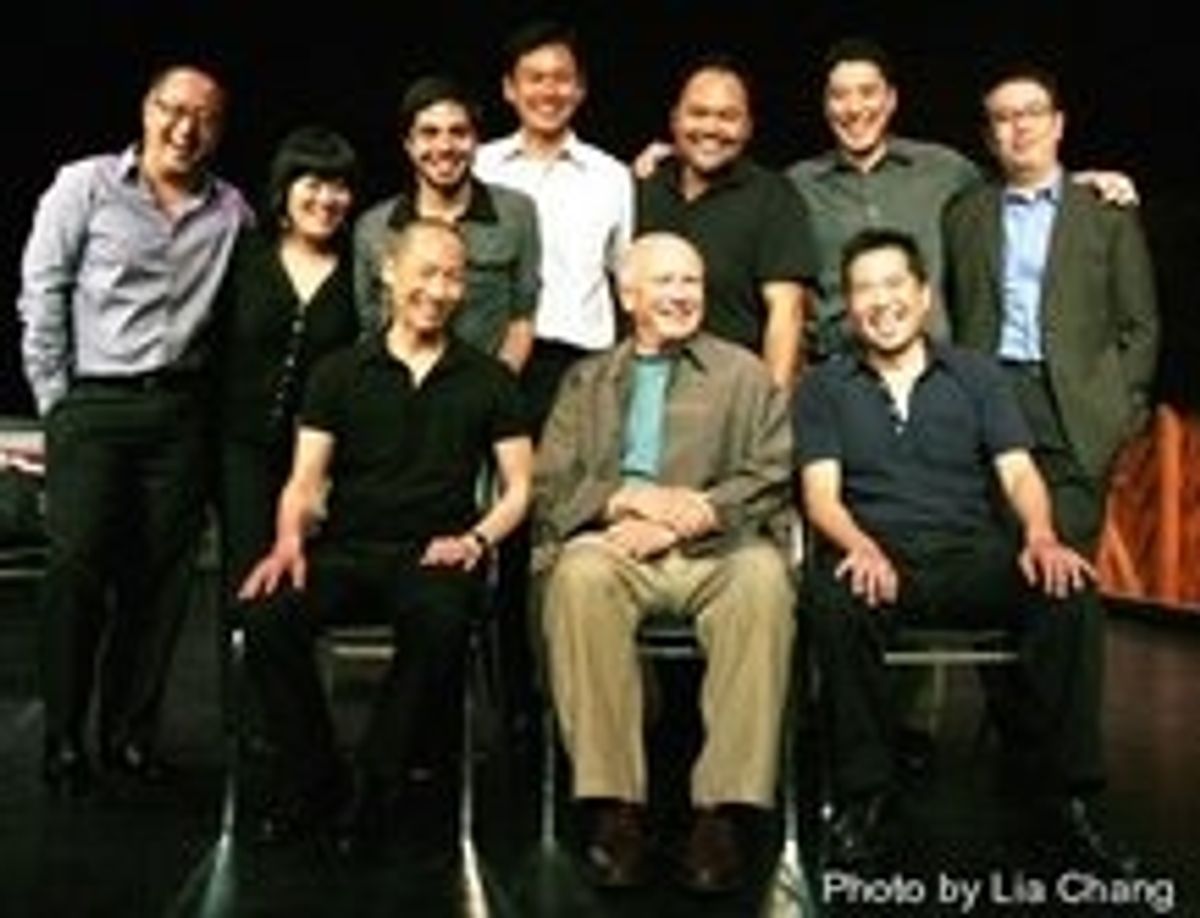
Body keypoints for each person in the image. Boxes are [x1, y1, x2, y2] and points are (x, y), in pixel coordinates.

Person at [795, 227, 1132, 873]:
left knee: (1067, 590)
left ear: (923, 297)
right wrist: (861, 547)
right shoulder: (825, 385)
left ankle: (1069, 802)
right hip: (877, 551)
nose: (881, 301)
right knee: (833, 599)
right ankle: (864, 800)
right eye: (865, 289)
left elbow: (1018, 473)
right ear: (849, 304)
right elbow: (821, 496)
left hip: (969, 552)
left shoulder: (975, 375)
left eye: (895, 285)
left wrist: (1040, 534)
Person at [237, 218, 532, 854]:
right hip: (347, 549)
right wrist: (289, 538)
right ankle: (314, 775)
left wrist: (477, 540)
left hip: (437, 553)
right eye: (426, 271)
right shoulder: (338, 372)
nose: (439, 288)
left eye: (454, 276)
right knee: (265, 615)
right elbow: (305, 479)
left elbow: (519, 490)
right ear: (389, 272)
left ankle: (378, 778)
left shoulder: (489, 379)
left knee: (442, 621)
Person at [17, 61, 252, 796]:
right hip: (93, 404)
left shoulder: (231, 211)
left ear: (219, 128)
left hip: (179, 414)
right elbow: (42, 294)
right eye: (170, 109)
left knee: (161, 585)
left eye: (203, 117)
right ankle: (63, 738)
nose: (185, 128)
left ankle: (129, 737)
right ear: (146, 109)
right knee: (77, 573)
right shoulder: (83, 185)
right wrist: (59, 406)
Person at [535, 232, 795, 892]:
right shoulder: (587, 379)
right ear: (629, 296)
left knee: (764, 580)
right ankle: (616, 807)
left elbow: (772, 471)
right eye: (666, 282)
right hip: (616, 546)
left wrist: (698, 511)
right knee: (579, 575)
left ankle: (720, 813)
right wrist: (626, 501)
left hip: (720, 546)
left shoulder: (744, 373)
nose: (683, 295)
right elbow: (550, 485)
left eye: (692, 283)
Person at [788, 37, 1142, 362]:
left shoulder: (944, 169)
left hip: (937, 372)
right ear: (825, 104)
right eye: (839, 95)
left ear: (891, 99)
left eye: (868, 92)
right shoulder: (796, 186)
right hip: (840, 369)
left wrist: (1082, 183)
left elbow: (1018, 190)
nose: (854, 107)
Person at [943, 62, 1159, 558]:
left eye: (1032, 113)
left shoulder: (1106, 213)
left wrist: (1121, 410)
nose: (1019, 127)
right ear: (990, 135)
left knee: (1067, 566)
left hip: (1078, 409)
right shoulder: (964, 214)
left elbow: (1140, 324)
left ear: (1058, 124)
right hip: (993, 398)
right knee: (1001, 556)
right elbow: (953, 311)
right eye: (1003, 117)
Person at [214, 124, 361, 638]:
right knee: (246, 588)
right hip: (243, 450)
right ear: (285, 187)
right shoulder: (244, 256)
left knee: (299, 590)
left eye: (338, 185)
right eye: (312, 183)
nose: (326, 198)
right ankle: (242, 721)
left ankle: (289, 717)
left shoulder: (356, 272)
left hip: (323, 456)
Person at [474, 18, 634, 428]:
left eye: (562, 79)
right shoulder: (479, 166)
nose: (549, 91)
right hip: (489, 356)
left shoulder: (611, 175)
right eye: (535, 78)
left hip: (580, 364)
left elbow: (627, 278)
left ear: (580, 89)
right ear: (509, 88)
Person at [636, 57, 817, 391]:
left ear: (748, 126)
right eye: (698, 113)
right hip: (645, 385)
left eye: (727, 117)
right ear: (675, 120)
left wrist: (768, 411)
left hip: (733, 392)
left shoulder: (773, 197)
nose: (711, 129)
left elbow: (786, 311)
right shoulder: (642, 190)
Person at [354, 75, 540, 373]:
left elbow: (523, 316)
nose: (444, 146)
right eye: (429, 133)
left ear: (476, 140)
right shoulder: (374, 227)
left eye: (458, 132)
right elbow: (368, 325)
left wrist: (496, 389)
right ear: (409, 144)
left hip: (485, 398)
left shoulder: (517, 213)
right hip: (397, 395)